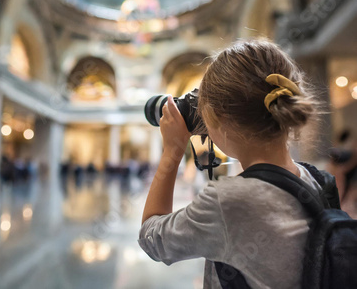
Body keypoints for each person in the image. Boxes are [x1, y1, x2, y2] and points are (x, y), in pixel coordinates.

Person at [139, 39, 327, 288]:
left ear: (218, 118)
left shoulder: (229, 201)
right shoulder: (314, 178)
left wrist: (172, 151)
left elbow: (152, 238)